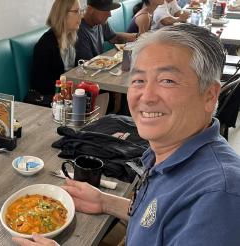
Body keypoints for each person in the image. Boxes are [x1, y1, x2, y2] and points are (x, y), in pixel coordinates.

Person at [13, 24, 240, 245]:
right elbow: (159, 218)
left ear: (209, 95)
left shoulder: (219, 198)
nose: (146, 96)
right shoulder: (168, 150)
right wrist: (105, 201)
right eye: (139, 80)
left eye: (167, 81)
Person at [28, 0, 82, 107]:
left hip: (67, 98)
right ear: (63, 15)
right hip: (51, 103)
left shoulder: (71, 38)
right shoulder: (45, 45)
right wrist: (67, 87)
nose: (81, 16)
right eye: (76, 11)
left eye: (80, 11)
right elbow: (40, 84)